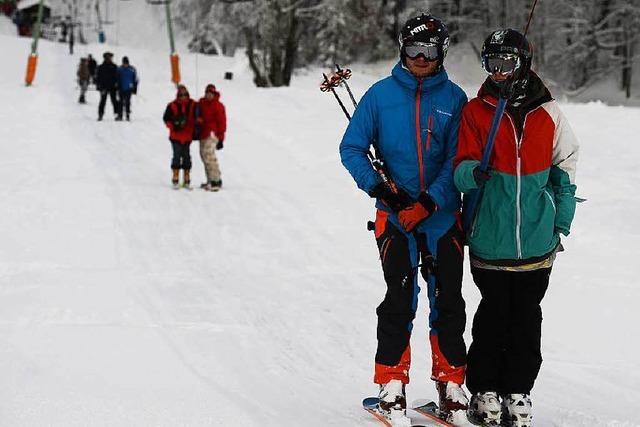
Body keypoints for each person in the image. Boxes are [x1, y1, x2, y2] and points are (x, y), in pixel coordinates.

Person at [340, 14, 469, 426]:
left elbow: (457, 160)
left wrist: (430, 203)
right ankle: (391, 386)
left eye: (429, 51)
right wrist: (380, 190)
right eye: (413, 49)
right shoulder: (379, 96)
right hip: (394, 218)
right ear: (401, 48)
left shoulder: (454, 99)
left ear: (441, 53)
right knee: (399, 299)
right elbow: (352, 149)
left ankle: (452, 386)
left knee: (447, 301)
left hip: (441, 217)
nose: (420, 58)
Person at [453, 29, 579, 427]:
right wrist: (474, 173)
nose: (499, 72)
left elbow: (566, 169)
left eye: (506, 63)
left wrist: (560, 222)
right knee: (492, 317)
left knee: (527, 319)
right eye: (492, 64)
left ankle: (519, 391)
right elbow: (458, 170)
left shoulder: (549, 113)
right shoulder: (476, 112)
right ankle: (485, 390)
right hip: (490, 239)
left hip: (537, 246)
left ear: (523, 63)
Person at [163, 85, 197, 188]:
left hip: (187, 136)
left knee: (186, 156)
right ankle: (175, 176)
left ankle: (186, 177)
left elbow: (199, 114)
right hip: (176, 136)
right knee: (176, 156)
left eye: (185, 95)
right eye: (181, 95)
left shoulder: (193, 104)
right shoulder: (172, 105)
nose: (183, 97)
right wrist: (173, 126)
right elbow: (166, 119)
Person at [196, 84, 227, 191]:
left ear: (214, 94)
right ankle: (209, 180)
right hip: (203, 133)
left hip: (212, 133)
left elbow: (222, 123)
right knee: (203, 155)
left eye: (211, 93)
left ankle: (216, 180)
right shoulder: (201, 103)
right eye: (207, 93)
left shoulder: (218, 106)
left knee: (209, 155)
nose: (209, 95)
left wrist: (221, 138)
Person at [96, 52, 119, 121]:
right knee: (103, 101)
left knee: (114, 101)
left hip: (113, 87)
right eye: (107, 57)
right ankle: (100, 114)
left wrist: (117, 84)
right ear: (105, 58)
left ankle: (117, 114)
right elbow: (98, 77)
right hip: (104, 87)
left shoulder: (114, 66)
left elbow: (117, 77)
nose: (109, 59)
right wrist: (98, 86)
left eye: (110, 57)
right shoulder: (101, 67)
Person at [116, 56, 138, 121]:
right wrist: (117, 86)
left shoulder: (132, 69)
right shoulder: (119, 69)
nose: (125, 64)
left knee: (128, 102)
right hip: (121, 88)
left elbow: (135, 79)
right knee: (120, 102)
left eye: (126, 63)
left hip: (129, 89)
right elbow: (117, 78)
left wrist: (134, 89)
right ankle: (120, 115)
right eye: (124, 63)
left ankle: (127, 115)